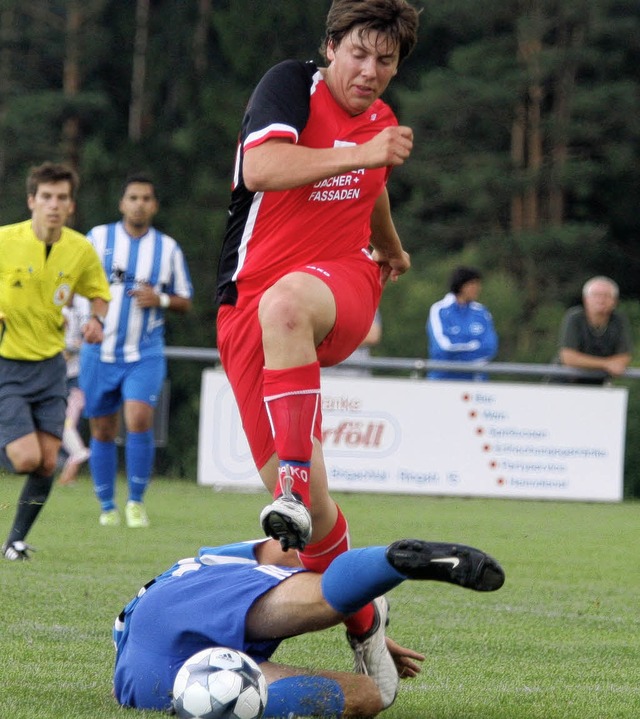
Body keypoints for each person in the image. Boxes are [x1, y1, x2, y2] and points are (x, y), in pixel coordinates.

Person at [215, 1, 420, 689]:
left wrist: (386, 246)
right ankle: (368, 625)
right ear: (329, 47)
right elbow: (260, 167)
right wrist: (364, 154)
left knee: (290, 301)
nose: (370, 71)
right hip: (248, 312)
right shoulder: (288, 87)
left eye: (386, 60)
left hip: (340, 285)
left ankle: (293, 486)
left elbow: (372, 183)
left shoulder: (380, 124)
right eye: (359, 53)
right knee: (319, 525)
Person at [113, 536, 505, 716]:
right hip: (206, 585)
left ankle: (373, 599)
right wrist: (363, 620)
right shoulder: (208, 558)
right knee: (321, 595)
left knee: (366, 697)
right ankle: (387, 565)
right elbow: (286, 551)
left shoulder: (145, 619)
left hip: (150, 649)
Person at [0, 161, 110, 561]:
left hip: (51, 367)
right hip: (7, 363)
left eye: (61, 198)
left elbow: (99, 292)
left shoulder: (80, 249)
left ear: (71, 206)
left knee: (47, 463)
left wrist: (97, 320)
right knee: (25, 457)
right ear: (31, 200)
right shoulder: (5, 241)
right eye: (46, 196)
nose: (53, 204)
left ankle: (14, 542)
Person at [81, 174, 193, 529]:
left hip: (145, 351)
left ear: (154, 205)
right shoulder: (97, 238)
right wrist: (86, 322)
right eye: (133, 197)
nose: (139, 204)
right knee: (101, 428)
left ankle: (136, 503)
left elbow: (185, 300)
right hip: (99, 350)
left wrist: (158, 298)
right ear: (122, 203)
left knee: (139, 418)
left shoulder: (168, 248)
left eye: (146, 198)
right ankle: (107, 505)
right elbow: (73, 284)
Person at [555, 276, 632, 385]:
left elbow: (624, 357)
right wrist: (607, 364)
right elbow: (568, 357)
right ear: (585, 299)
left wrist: (614, 364)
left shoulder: (619, 320)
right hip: (564, 383)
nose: (601, 300)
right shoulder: (574, 317)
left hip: (598, 385)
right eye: (596, 295)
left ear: (614, 301)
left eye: (606, 296)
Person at [426, 266, 498, 381]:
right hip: (442, 381)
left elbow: (490, 348)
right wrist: (473, 346)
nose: (478, 288)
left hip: (476, 383)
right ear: (461, 285)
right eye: (473, 284)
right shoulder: (439, 310)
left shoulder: (482, 312)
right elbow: (441, 349)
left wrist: (457, 351)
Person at [58, 293, 92, 486]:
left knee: (68, 424)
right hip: (55, 375)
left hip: (76, 376)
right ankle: (76, 458)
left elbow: (88, 335)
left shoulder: (83, 303)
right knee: (64, 424)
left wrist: (71, 350)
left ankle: (77, 458)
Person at [323, 310, 382, 376]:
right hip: (326, 376)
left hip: (356, 374)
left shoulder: (365, 302)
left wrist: (336, 342)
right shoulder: (320, 302)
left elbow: (372, 335)